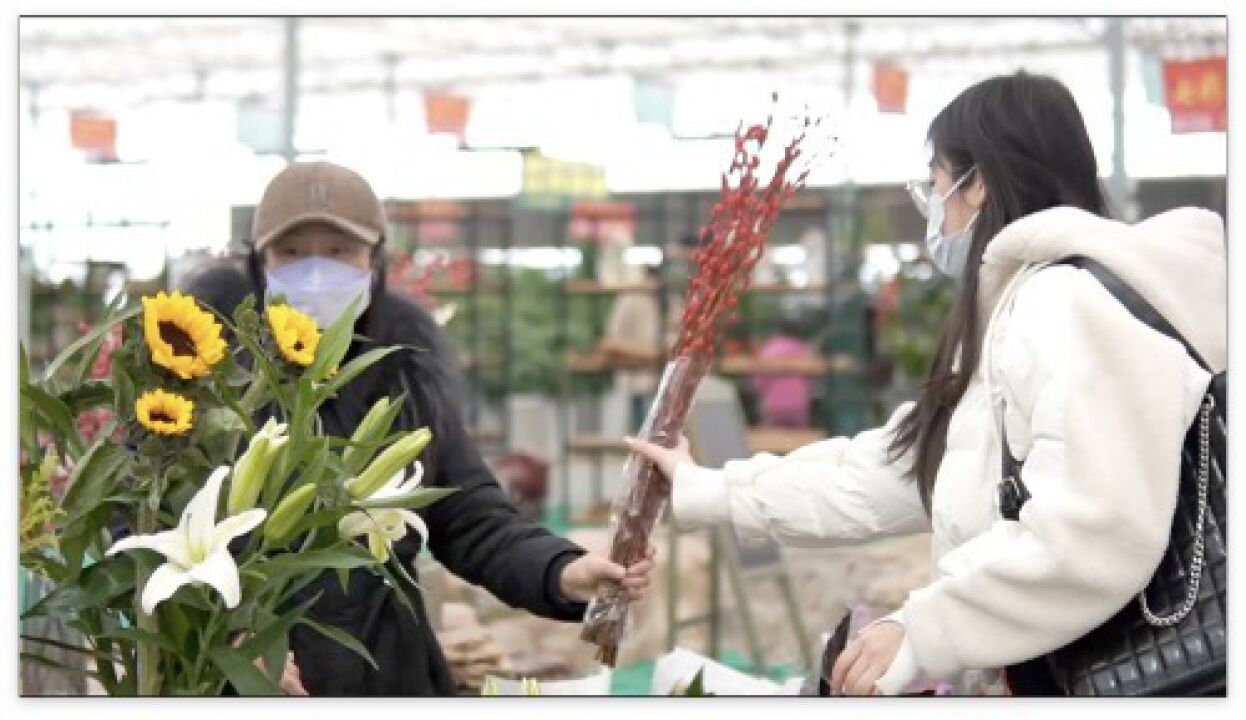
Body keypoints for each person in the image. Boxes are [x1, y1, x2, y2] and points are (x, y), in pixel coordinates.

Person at [624, 72, 1225, 696]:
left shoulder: (1066, 304)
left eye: (935, 179)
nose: (931, 204)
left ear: (979, 182)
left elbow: (1090, 534)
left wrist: (922, 629)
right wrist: (707, 489)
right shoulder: (1021, 309)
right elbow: (896, 470)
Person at [184, 161, 653, 696]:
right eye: (291, 253)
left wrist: (562, 572)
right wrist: (230, 641)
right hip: (239, 677)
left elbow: (469, 517)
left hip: (384, 669)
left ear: (374, 260)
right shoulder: (203, 375)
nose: (316, 273)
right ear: (258, 262)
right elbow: (144, 524)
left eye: (339, 252)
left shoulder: (403, 371)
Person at [751, 316, 815, 428]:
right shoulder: (804, 350)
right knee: (800, 440)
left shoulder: (769, 349)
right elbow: (811, 380)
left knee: (768, 439)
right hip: (799, 405)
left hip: (773, 405)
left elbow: (758, 384)